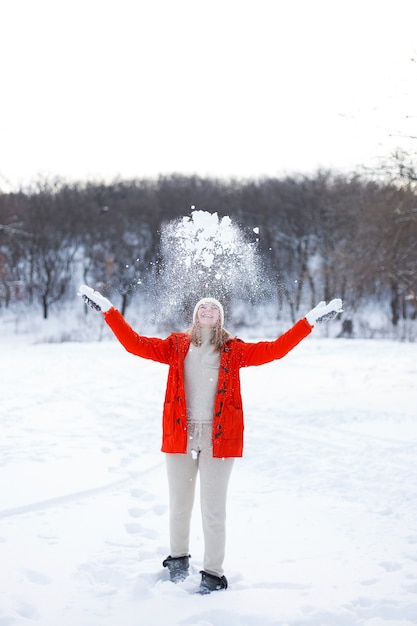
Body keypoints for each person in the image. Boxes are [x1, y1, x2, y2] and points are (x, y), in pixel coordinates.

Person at [78, 285, 343, 594]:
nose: (207, 310)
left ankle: (213, 574)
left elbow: (275, 349)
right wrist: (109, 311)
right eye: (202, 307)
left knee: (213, 509)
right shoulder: (175, 346)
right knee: (179, 503)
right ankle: (177, 560)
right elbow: (134, 344)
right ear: (195, 315)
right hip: (181, 435)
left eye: (213, 308)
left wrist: (308, 321)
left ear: (220, 317)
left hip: (220, 439)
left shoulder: (234, 350)